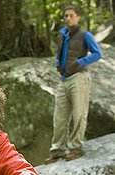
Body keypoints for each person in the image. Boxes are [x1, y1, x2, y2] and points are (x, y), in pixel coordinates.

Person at [44, 4, 102, 164]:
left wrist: (80, 61)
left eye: (71, 15)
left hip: (79, 78)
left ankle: (76, 147)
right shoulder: (63, 34)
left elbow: (98, 53)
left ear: (77, 16)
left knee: (79, 114)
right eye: (66, 16)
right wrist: (57, 63)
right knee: (59, 117)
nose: (68, 18)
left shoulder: (85, 34)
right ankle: (57, 150)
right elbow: (60, 53)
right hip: (64, 80)